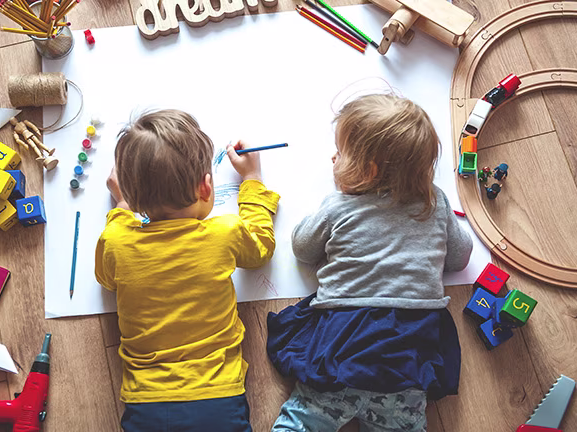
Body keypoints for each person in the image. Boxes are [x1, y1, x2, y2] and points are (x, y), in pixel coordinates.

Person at [267, 94, 473, 432]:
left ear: (368, 171)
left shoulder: (339, 206)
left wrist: (336, 198)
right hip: (406, 359)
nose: (334, 158)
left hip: (340, 347)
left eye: (342, 154)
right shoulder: (434, 203)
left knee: (305, 419)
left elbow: (303, 248)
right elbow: (460, 257)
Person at [94, 109, 280, 432]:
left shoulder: (116, 241)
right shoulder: (224, 234)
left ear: (131, 194)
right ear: (206, 188)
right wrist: (252, 181)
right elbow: (261, 245)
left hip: (145, 401)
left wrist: (122, 206)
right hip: (218, 396)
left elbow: (105, 278)